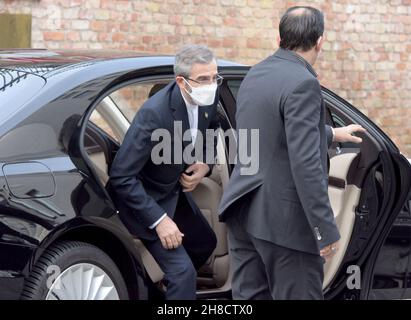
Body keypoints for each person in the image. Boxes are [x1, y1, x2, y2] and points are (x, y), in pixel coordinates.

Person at [218, 6, 366, 300]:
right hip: (284, 225)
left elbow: (266, 133)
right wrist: (324, 229)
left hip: (243, 211)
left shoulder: (255, 74)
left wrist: (330, 133)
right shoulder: (304, 83)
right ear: (320, 41)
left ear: (279, 38)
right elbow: (306, 163)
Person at [109, 44, 221, 300]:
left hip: (172, 190)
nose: (211, 85)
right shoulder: (154, 114)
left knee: (205, 243)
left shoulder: (210, 96)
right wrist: (159, 221)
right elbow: (121, 176)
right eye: (203, 79)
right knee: (183, 273)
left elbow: (213, 126)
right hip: (142, 201)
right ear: (181, 81)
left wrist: (204, 163)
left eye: (215, 77)